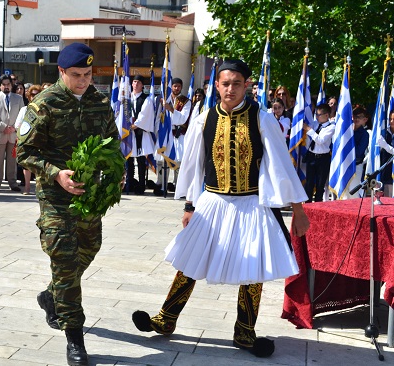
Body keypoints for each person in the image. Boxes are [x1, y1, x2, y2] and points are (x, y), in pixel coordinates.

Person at [132, 59, 310, 359]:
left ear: (246, 86)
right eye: (225, 83)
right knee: (189, 261)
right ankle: (165, 319)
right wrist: (189, 204)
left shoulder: (261, 119)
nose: (230, 89)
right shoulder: (204, 119)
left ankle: (244, 331)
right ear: (217, 85)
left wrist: (299, 210)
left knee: (254, 268)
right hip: (212, 202)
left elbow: (281, 165)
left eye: (236, 83)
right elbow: (193, 166)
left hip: (252, 203)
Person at [17, 43, 119, 366]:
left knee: (91, 246)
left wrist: (115, 171)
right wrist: (55, 173)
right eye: (76, 75)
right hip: (55, 198)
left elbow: (112, 142)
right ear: (61, 72)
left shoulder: (100, 103)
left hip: (87, 197)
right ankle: (75, 338)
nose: (83, 81)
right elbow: (24, 153)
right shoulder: (43, 105)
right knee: (65, 260)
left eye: (88, 74)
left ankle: (52, 295)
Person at [0, 74, 24, 192]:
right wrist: (4, 127)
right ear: (0, 86)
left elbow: (22, 115)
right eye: (4, 85)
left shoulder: (18, 98)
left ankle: (12, 182)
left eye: (8, 84)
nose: (6, 87)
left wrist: (14, 128)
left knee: (12, 160)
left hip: (13, 133)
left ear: (11, 85)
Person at [127, 74, 156, 194]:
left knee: (140, 160)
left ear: (142, 85)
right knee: (128, 159)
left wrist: (133, 126)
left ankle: (141, 185)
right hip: (129, 133)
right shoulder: (127, 98)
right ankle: (129, 183)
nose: (136, 84)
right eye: (134, 82)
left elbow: (144, 115)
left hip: (140, 133)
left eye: (138, 82)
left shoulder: (146, 99)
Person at [303, 104, 335, 202]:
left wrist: (309, 130)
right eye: (316, 114)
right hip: (311, 156)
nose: (317, 117)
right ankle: (307, 204)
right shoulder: (315, 123)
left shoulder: (331, 127)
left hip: (322, 158)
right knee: (309, 183)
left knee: (320, 184)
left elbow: (320, 140)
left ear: (326, 115)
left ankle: (318, 204)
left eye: (319, 115)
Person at [14, 84, 42, 194]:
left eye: (37, 94)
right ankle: (27, 187)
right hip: (27, 140)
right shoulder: (24, 109)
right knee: (27, 165)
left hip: (41, 141)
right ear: (29, 96)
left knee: (39, 164)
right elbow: (17, 125)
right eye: (33, 94)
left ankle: (39, 187)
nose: (35, 96)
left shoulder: (45, 109)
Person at [347, 107, 369, 198]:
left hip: (356, 165)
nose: (356, 119)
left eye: (359, 117)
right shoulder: (346, 131)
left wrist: (351, 135)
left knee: (353, 193)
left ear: (365, 119)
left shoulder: (364, 134)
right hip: (345, 164)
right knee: (343, 193)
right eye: (355, 116)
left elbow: (359, 152)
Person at [378, 111, 394, 197]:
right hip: (383, 169)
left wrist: (386, 146)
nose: (391, 121)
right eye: (390, 119)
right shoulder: (384, 132)